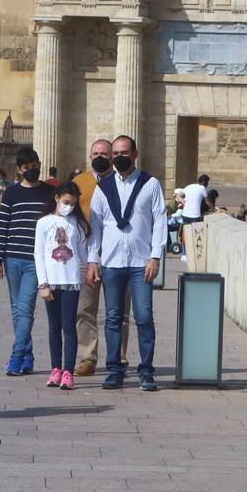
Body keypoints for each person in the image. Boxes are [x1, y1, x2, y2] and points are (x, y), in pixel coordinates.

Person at [86, 135, 166, 392]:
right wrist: (92, 260)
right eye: (116, 153)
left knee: (143, 317)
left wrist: (155, 256)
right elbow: (96, 227)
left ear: (135, 154)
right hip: (111, 262)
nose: (119, 157)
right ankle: (115, 370)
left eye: (124, 152)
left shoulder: (150, 184)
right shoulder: (103, 188)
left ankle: (146, 371)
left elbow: (160, 220)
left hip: (140, 262)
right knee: (112, 318)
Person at [0, 148, 52, 376]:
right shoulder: (11, 194)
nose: (32, 170)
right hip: (12, 258)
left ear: (39, 163)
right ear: (19, 170)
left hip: (36, 260)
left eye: (34, 165)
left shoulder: (50, 193)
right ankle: (28, 355)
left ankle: (16, 357)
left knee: (25, 309)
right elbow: (2, 228)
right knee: (17, 310)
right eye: (26, 167)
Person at [73, 138, 130, 377]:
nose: (100, 157)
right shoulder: (78, 183)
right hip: (87, 255)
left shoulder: (123, 182)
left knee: (119, 311)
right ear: (89, 155)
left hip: (119, 255)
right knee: (85, 309)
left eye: (106, 154)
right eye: (96, 153)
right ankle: (87, 357)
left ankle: (119, 356)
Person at [35, 181, 90, 391]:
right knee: (53, 326)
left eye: (73, 204)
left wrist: (91, 270)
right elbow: (38, 254)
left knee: (69, 326)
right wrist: (43, 283)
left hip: (71, 282)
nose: (69, 206)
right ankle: (55, 368)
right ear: (57, 198)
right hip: (51, 280)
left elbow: (83, 253)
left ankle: (68, 370)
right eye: (66, 202)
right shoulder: (44, 222)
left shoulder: (77, 224)